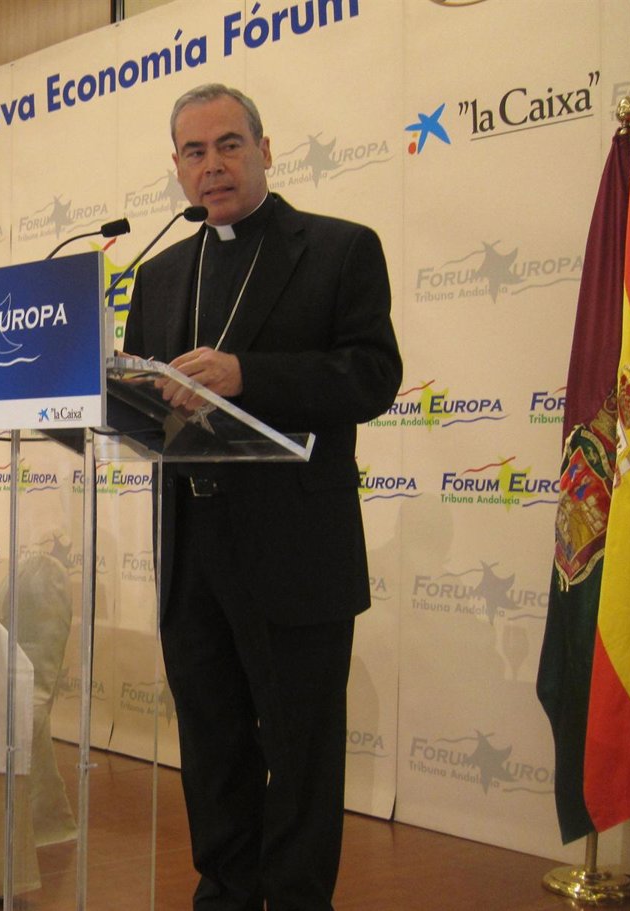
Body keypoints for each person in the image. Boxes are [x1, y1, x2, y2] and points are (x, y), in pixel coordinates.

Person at [122, 84, 403, 911]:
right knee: (212, 744)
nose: (212, 165)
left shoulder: (339, 249)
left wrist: (249, 376)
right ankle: (226, 891)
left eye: (229, 145)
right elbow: (140, 398)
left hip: (295, 548)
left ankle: (297, 899)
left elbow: (372, 375)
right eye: (194, 152)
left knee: (300, 748)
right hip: (191, 546)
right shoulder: (159, 274)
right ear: (177, 168)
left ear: (265, 149)